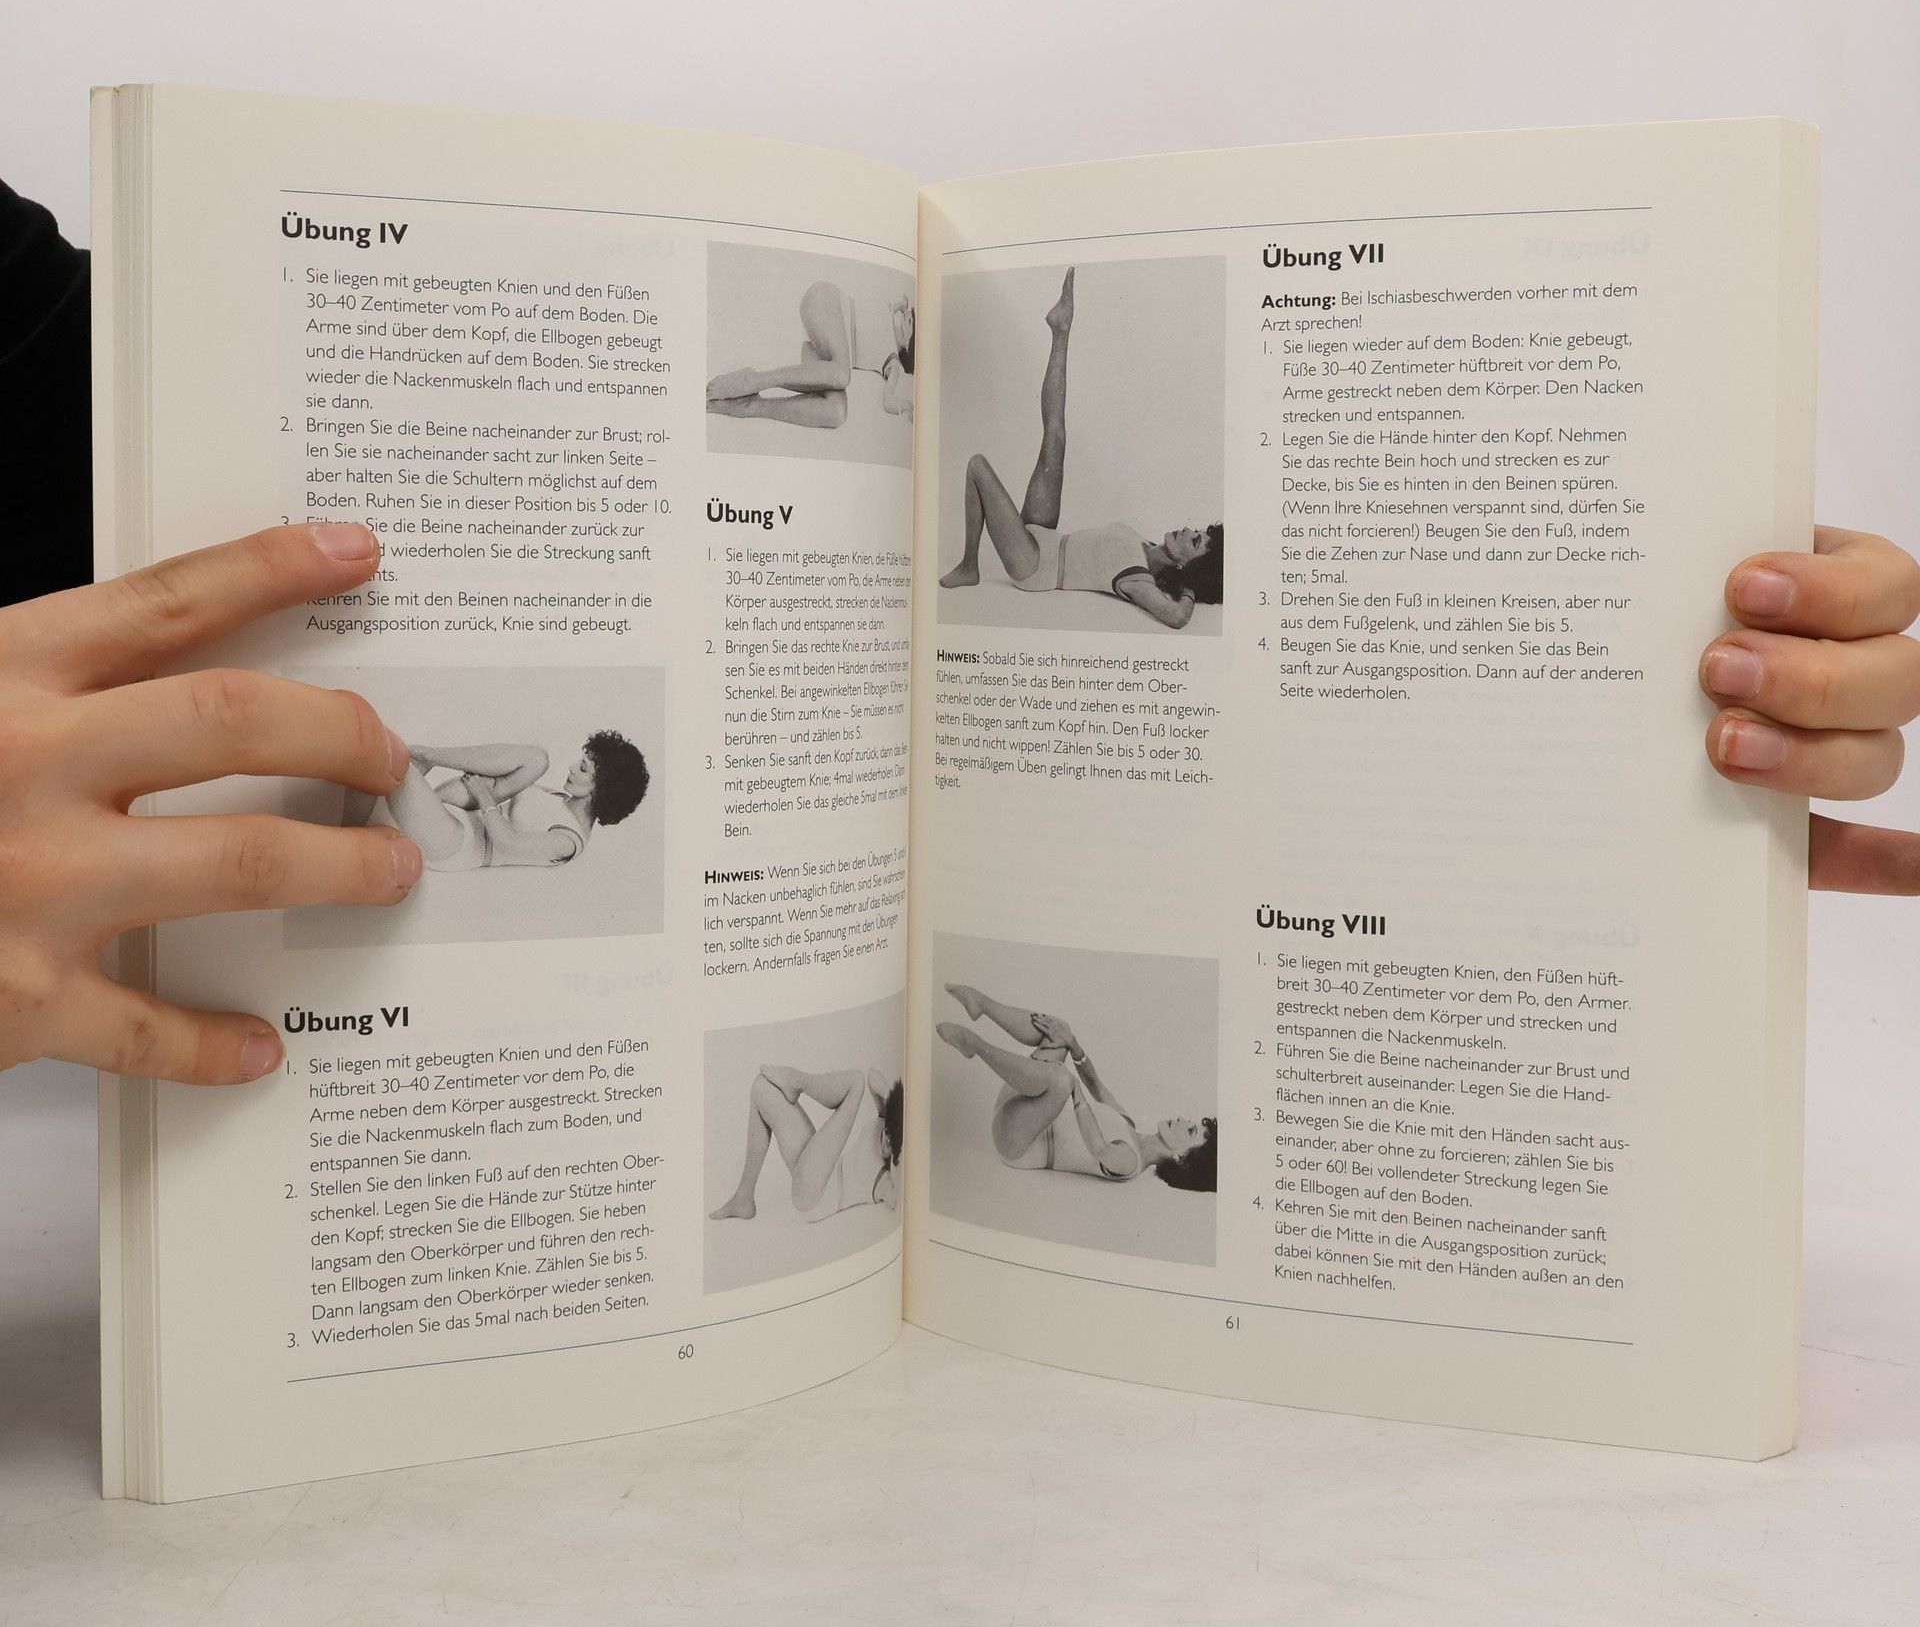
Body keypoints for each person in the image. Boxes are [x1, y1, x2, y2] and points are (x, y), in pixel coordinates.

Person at [0, 184, 1915, 1085]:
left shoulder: (61, 357)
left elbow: (148, 459)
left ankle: (862, 397)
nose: (1188, 532)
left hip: (999, 582)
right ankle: (873, 393)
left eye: (1194, 544)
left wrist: (1586, 624)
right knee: (931, 426)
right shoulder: (1136, 563)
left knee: (928, 438)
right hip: (989, 562)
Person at [937, 267, 1224, 628]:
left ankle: (969, 564)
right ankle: (1062, 329)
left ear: (1185, 565)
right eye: (1197, 530)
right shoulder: (1148, 548)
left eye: (1195, 541)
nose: (1188, 529)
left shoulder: (1138, 580)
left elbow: (1176, 617)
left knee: (977, 465)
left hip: (1034, 567)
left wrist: (1189, 589)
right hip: (1047, 538)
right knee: (1056, 435)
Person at [935, 985, 1218, 1191]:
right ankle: (981, 1005)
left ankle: (976, 1046)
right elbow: (1095, 1084)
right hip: (1022, 1104)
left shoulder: (1131, 1162)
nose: (1184, 1120)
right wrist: (1073, 1044)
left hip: (1017, 1142)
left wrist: (1073, 1090)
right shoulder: (1128, 1124)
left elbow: (1099, 1148)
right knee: (1059, 1033)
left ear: (1182, 1159)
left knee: (1061, 1081)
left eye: (1191, 1131)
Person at [342, 734, 650, 872]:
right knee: (537, 759)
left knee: (381, 757)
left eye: (582, 769)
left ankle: (351, 838)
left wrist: (485, 795)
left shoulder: (568, 841)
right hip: (460, 811)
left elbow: (507, 841)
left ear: (601, 789)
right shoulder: (560, 799)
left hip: (458, 843)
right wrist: (487, 788)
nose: (571, 768)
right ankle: (430, 755)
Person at [706, 282, 915, 427]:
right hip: (826, 303)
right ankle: (755, 379)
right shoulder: (889, 312)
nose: (908, 317)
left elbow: (888, 400)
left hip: (824, 355)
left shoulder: (892, 362)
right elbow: (897, 304)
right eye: (909, 316)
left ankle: (750, 406)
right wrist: (900, 306)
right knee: (842, 375)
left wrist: (907, 406)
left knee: (836, 412)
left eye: (911, 322)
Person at [709, 1065, 903, 1220]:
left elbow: (895, 1201)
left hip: (815, 1196)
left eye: (891, 1145)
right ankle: (743, 1199)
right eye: (887, 1136)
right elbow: (872, 1076)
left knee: (855, 1082)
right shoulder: (886, 1123)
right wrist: (894, 1105)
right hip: (817, 1169)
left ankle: (799, 1081)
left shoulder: (883, 1179)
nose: (886, 1141)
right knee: (762, 1088)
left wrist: (898, 1158)